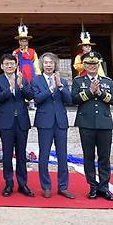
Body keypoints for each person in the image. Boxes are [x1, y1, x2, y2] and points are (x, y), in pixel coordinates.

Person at [72, 51, 113, 201]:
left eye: (94, 64)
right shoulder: (78, 81)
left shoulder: (107, 81)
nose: (92, 66)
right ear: (84, 65)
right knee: (89, 157)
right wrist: (90, 91)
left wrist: (99, 93)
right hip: (86, 124)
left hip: (105, 124)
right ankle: (92, 186)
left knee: (104, 157)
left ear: (98, 65)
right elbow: (74, 100)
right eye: (88, 64)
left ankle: (104, 187)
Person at [31, 53, 75, 199]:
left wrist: (60, 86)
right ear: (42, 65)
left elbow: (69, 100)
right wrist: (50, 89)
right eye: (46, 63)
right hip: (45, 121)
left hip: (61, 121)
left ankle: (63, 187)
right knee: (44, 154)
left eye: (51, 63)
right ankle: (46, 186)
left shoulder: (62, 80)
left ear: (55, 65)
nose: (49, 65)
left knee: (62, 155)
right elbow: (36, 99)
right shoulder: (36, 80)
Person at [0, 54, 35, 197]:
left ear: (16, 65)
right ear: (2, 66)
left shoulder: (22, 78)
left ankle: (23, 184)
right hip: (6, 121)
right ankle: (8, 184)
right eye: (7, 64)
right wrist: (9, 88)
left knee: (22, 154)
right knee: (7, 154)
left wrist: (21, 85)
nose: (10, 66)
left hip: (21, 121)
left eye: (12, 64)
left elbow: (30, 96)